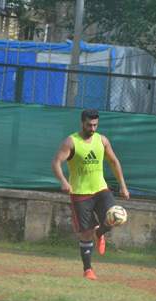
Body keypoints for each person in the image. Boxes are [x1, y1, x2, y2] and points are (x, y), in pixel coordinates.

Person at [52, 109, 130, 280]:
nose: (92, 128)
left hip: (101, 189)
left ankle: (100, 233)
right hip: (80, 193)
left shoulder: (102, 140)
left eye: (95, 125)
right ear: (82, 123)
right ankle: (88, 269)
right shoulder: (71, 142)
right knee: (86, 233)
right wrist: (64, 182)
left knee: (114, 218)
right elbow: (56, 162)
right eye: (89, 125)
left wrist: (123, 186)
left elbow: (114, 162)